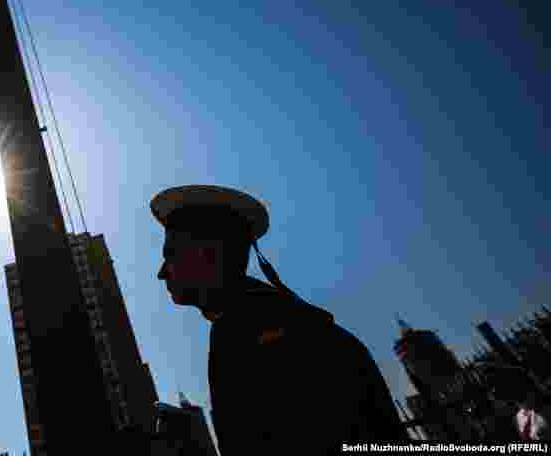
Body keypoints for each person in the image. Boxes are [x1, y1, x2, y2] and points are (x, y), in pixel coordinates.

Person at [151, 185, 408, 454]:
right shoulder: (257, 321)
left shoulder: (263, 334)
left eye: (170, 254)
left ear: (209, 253)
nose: (162, 272)